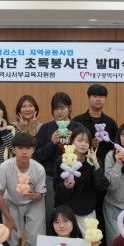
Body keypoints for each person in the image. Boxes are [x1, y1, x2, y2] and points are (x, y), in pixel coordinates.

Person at [54, 127, 108, 246]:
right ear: (72, 142)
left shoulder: (93, 161)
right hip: (66, 209)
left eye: (86, 141)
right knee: (66, 245)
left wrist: (96, 163)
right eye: (79, 140)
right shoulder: (62, 160)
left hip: (87, 209)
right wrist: (66, 186)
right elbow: (56, 187)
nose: (83, 144)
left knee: (91, 243)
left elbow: (102, 187)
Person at [0, 132, 46, 246]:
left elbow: (41, 194)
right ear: (13, 149)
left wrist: (35, 196)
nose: (24, 152)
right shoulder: (5, 167)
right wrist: (8, 218)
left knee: (35, 239)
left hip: (34, 203)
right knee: (11, 238)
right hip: (11, 201)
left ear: (33, 150)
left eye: (28, 148)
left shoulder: (39, 169)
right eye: (20, 148)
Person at [34, 92, 82, 222]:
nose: (59, 112)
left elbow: (84, 152)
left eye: (62, 108)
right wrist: (51, 143)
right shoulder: (46, 128)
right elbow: (38, 155)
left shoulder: (77, 127)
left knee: (71, 214)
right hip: (50, 177)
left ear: (69, 108)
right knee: (50, 213)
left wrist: (74, 142)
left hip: (73, 176)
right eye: (56, 109)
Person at [73, 84, 118, 169]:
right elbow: (71, 143)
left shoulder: (110, 122)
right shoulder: (78, 121)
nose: (98, 99)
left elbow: (115, 145)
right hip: (80, 166)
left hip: (105, 166)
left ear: (105, 99)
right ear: (88, 98)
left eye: (101, 97)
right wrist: (89, 143)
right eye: (95, 96)